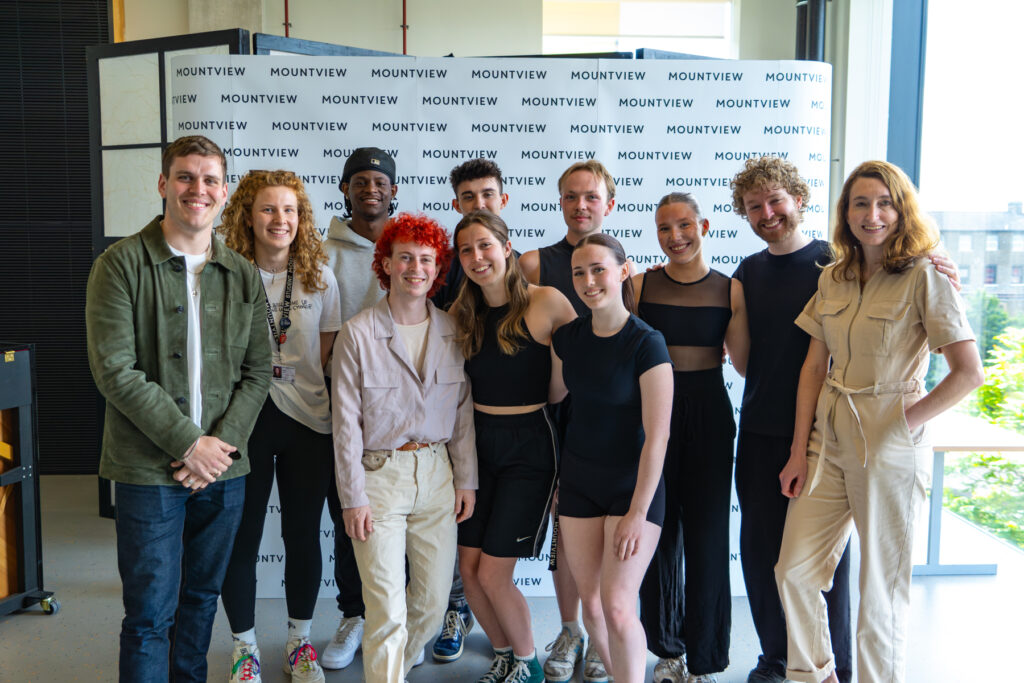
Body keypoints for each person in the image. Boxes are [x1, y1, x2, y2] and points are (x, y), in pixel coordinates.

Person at [775, 160, 983, 683]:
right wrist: (800, 450)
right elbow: (811, 369)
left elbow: (968, 373)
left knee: (880, 590)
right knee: (794, 571)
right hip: (829, 435)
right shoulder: (833, 278)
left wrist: (906, 422)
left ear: (901, 209)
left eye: (884, 203)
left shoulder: (927, 276)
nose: (873, 214)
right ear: (845, 213)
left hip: (891, 437)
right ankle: (814, 675)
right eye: (861, 203)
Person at [85, 135, 271, 681]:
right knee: (148, 616)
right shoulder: (119, 265)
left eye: (210, 179)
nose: (198, 189)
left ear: (224, 191)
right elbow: (114, 370)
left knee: (200, 602)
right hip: (148, 470)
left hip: (223, 470)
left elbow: (258, 372)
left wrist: (216, 450)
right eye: (186, 177)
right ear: (163, 184)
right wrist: (190, 445)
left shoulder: (240, 272)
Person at [332, 213, 478, 683]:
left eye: (427, 259)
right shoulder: (357, 333)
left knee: (433, 608)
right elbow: (345, 427)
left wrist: (467, 481)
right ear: (386, 264)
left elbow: (461, 414)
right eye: (406, 258)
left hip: (437, 478)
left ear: (437, 270)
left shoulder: (454, 329)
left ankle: (400, 661)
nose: (416, 268)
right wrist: (352, 497)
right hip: (379, 478)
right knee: (386, 609)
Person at [729, 156, 855, 683]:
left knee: (824, 565)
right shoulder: (748, 272)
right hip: (759, 429)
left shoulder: (838, 262)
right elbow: (742, 358)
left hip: (826, 433)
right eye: (754, 206)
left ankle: (836, 666)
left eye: (775, 200)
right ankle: (777, 659)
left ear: (798, 200)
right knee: (759, 555)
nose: (767, 212)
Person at [218, 170, 342, 683]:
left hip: (309, 421)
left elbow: (328, 354)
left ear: (301, 217)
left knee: (302, 535)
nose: (280, 220)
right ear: (248, 215)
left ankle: (299, 642)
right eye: (269, 209)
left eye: (289, 210)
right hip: (245, 418)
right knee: (242, 537)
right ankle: (244, 648)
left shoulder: (320, 275)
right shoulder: (223, 271)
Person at [450, 210, 577, 683]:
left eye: (485, 245)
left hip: (530, 447)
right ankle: (503, 653)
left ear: (506, 247)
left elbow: (567, 390)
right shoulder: (460, 314)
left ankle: (528, 664)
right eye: (466, 249)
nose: (477, 257)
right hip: (477, 448)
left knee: (493, 573)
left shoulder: (547, 302)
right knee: (468, 566)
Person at [633, 193, 749, 683]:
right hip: (651, 415)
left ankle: (704, 659)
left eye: (684, 225)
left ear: (703, 225)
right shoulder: (637, 285)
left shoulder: (731, 290)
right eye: (664, 228)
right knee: (657, 539)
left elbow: (742, 363)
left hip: (707, 411)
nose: (675, 236)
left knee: (705, 538)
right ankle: (668, 651)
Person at [550, 233, 673, 683]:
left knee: (619, 605)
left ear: (623, 271)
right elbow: (558, 400)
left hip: (632, 488)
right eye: (579, 272)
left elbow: (657, 439)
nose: (588, 280)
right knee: (593, 603)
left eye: (598, 269)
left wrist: (638, 513)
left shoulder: (648, 343)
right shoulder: (567, 339)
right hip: (580, 482)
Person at [519, 160, 620, 683]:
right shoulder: (534, 263)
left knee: (604, 529)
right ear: (560, 203)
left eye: (591, 197)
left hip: (609, 415)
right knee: (565, 526)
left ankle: (602, 634)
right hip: (555, 410)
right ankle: (570, 628)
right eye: (571, 197)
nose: (581, 205)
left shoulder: (623, 266)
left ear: (609, 203)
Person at [431, 158, 514, 663]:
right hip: (454, 420)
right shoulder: (445, 272)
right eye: (468, 198)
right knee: (460, 527)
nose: (478, 205)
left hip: (517, 429)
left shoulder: (527, 272)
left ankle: (525, 632)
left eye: (487, 195)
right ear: (456, 205)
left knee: (495, 540)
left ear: (502, 200)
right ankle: (454, 611)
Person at [320, 146, 397, 670]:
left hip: (404, 415)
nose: (371, 188)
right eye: (360, 181)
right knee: (351, 517)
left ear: (394, 189)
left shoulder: (412, 240)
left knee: (404, 523)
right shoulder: (321, 250)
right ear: (345, 188)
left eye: (380, 181)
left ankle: (401, 618)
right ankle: (354, 615)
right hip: (341, 407)